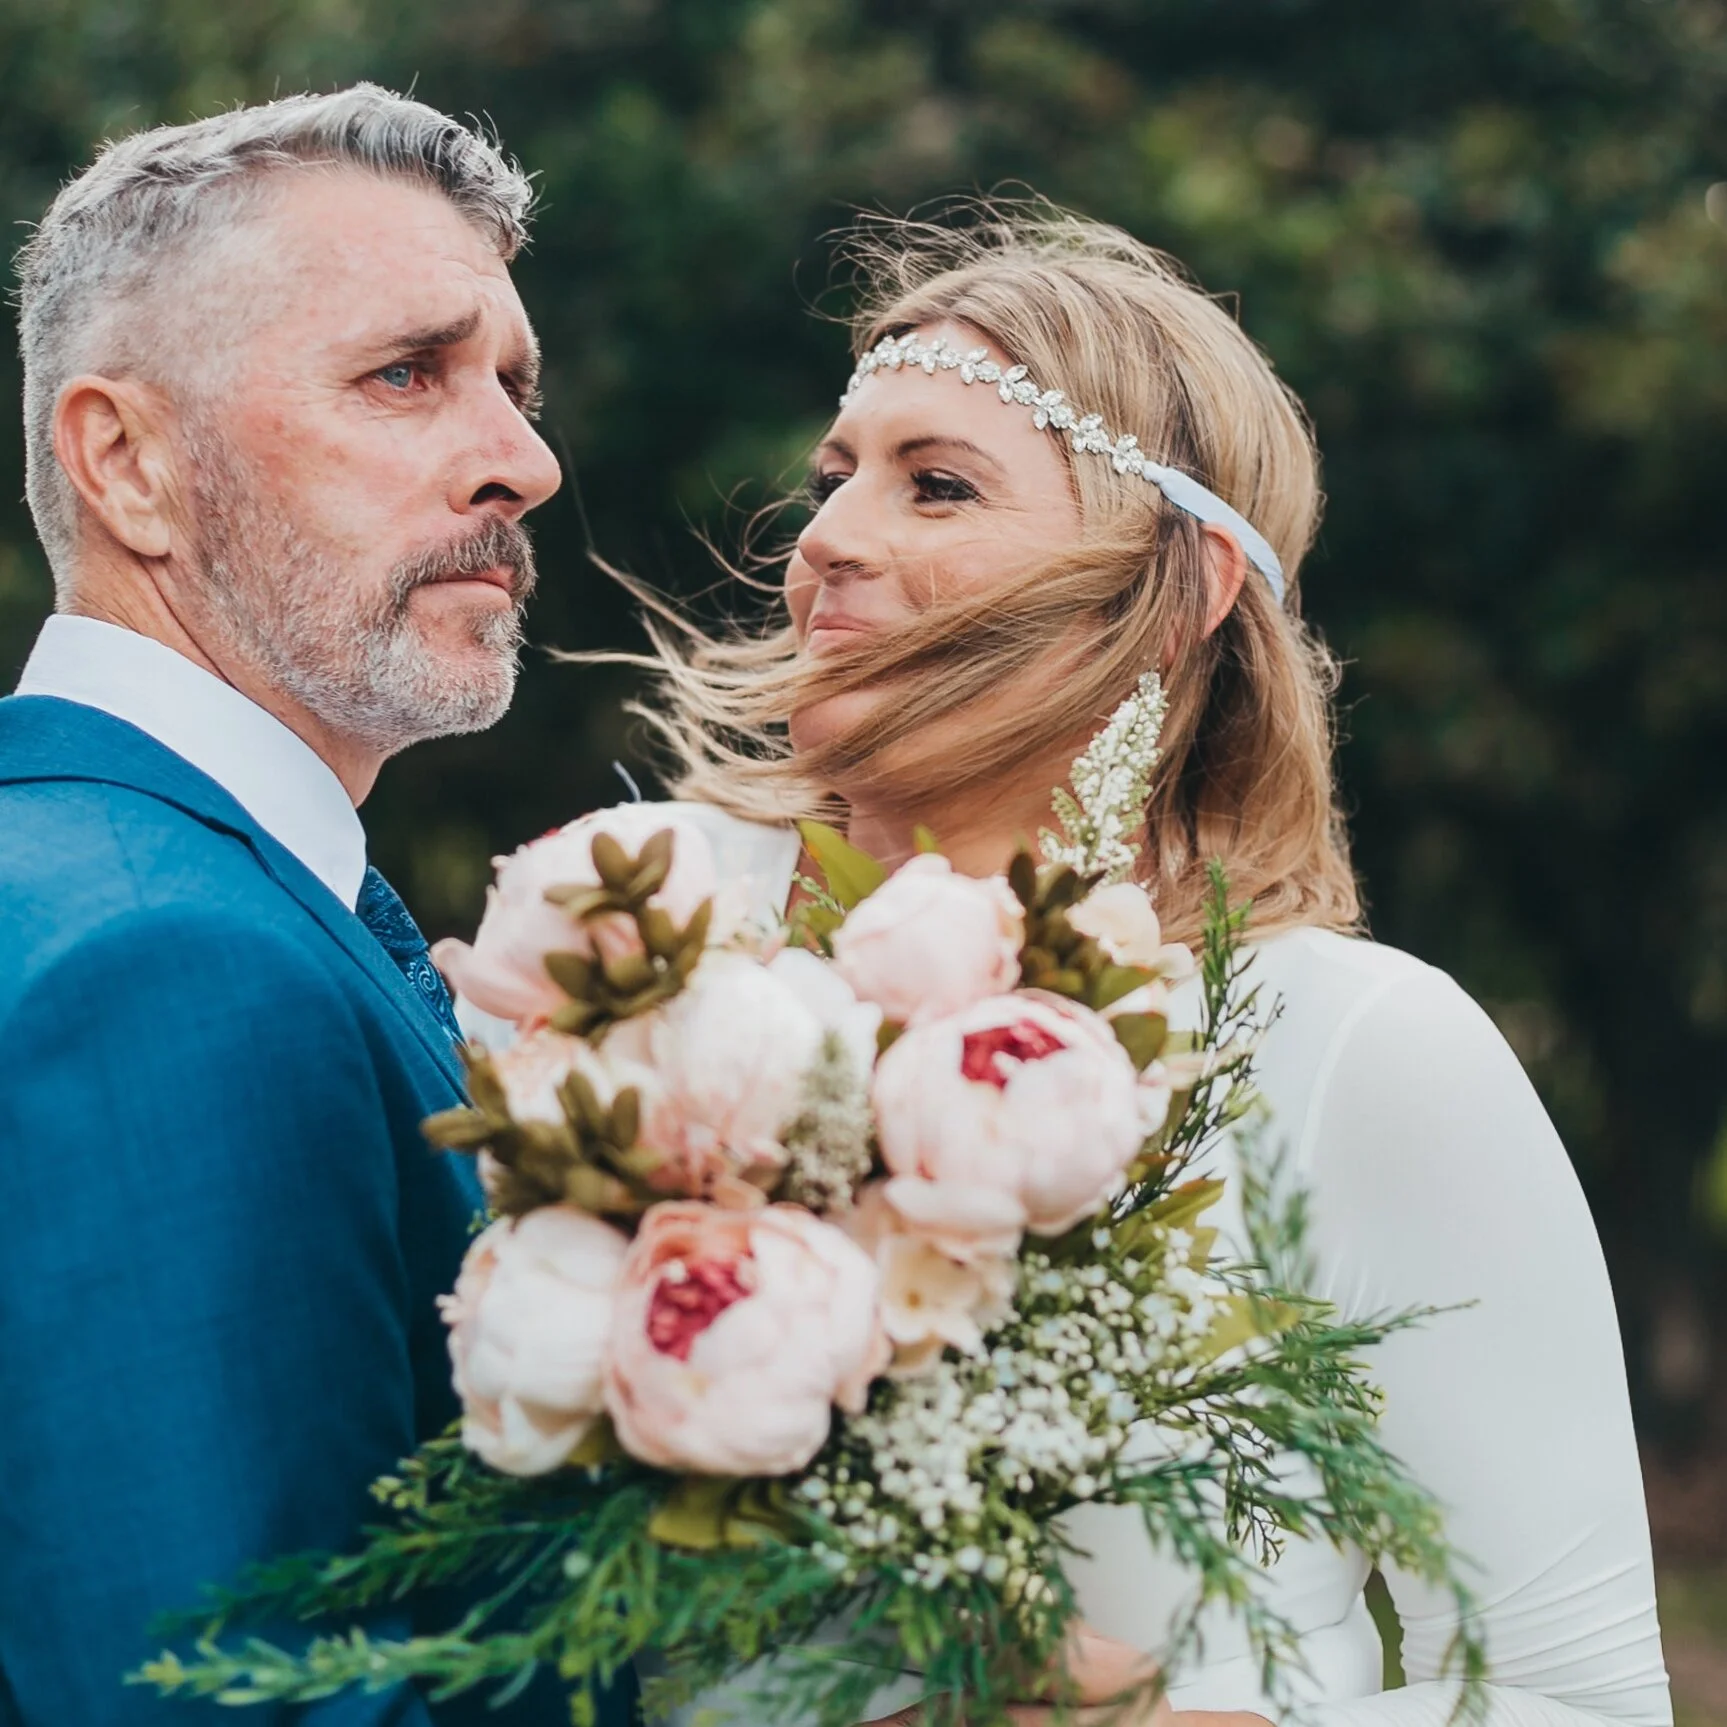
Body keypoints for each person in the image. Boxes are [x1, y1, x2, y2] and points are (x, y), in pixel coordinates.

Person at [564, 205, 1674, 1724]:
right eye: (834, 479)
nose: (823, 543)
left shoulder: (1347, 1048)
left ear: (1182, 591)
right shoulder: (645, 945)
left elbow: (1577, 1695)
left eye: (936, 484)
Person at [0, 87, 631, 1726]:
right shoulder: (163, 961)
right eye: (406, 373)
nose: (525, 462)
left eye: (514, 387)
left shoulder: (138, 884)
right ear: (128, 463)